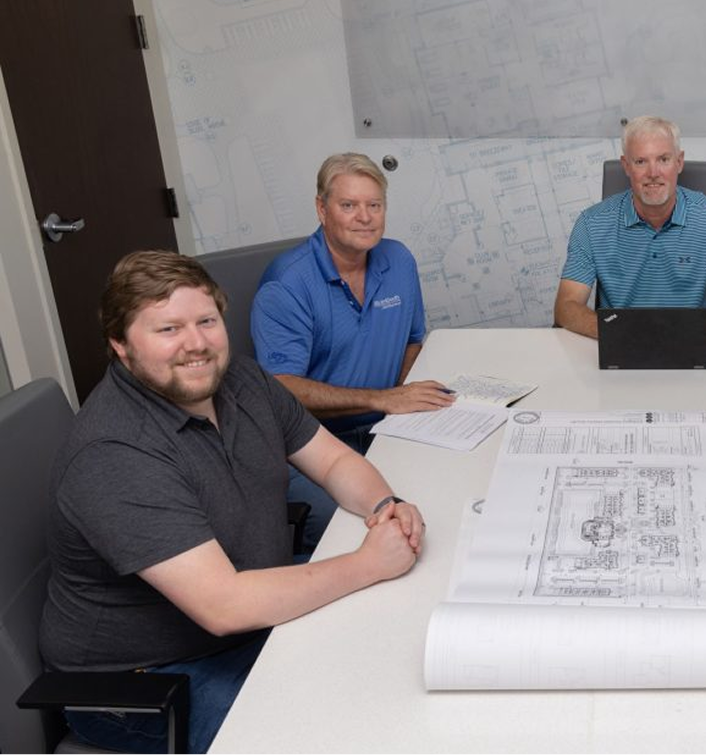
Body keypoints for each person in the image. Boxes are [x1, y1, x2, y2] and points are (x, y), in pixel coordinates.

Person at [40, 251, 424, 755]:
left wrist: (384, 504)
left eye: (206, 321)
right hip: (147, 679)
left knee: (401, 646)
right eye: (168, 329)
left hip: (250, 619)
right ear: (120, 345)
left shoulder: (242, 381)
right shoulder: (114, 452)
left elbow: (331, 461)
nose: (196, 344)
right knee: (336, 729)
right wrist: (368, 563)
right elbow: (223, 606)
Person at [251, 153, 452, 549]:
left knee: (443, 505)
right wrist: (384, 399)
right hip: (310, 445)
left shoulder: (398, 260)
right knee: (366, 534)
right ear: (321, 209)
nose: (365, 217)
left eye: (374, 205)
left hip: (386, 429)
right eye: (349, 205)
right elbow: (280, 388)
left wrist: (400, 407)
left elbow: (413, 339)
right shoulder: (286, 284)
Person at [553, 115, 706, 339]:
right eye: (640, 161)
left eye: (664, 159)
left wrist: (692, 337)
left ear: (679, 162)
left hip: (694, 345)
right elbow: (566, 306)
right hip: (620, 346)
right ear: (626, 166)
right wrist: (618, 335)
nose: (653, 173)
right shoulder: (591, 224)